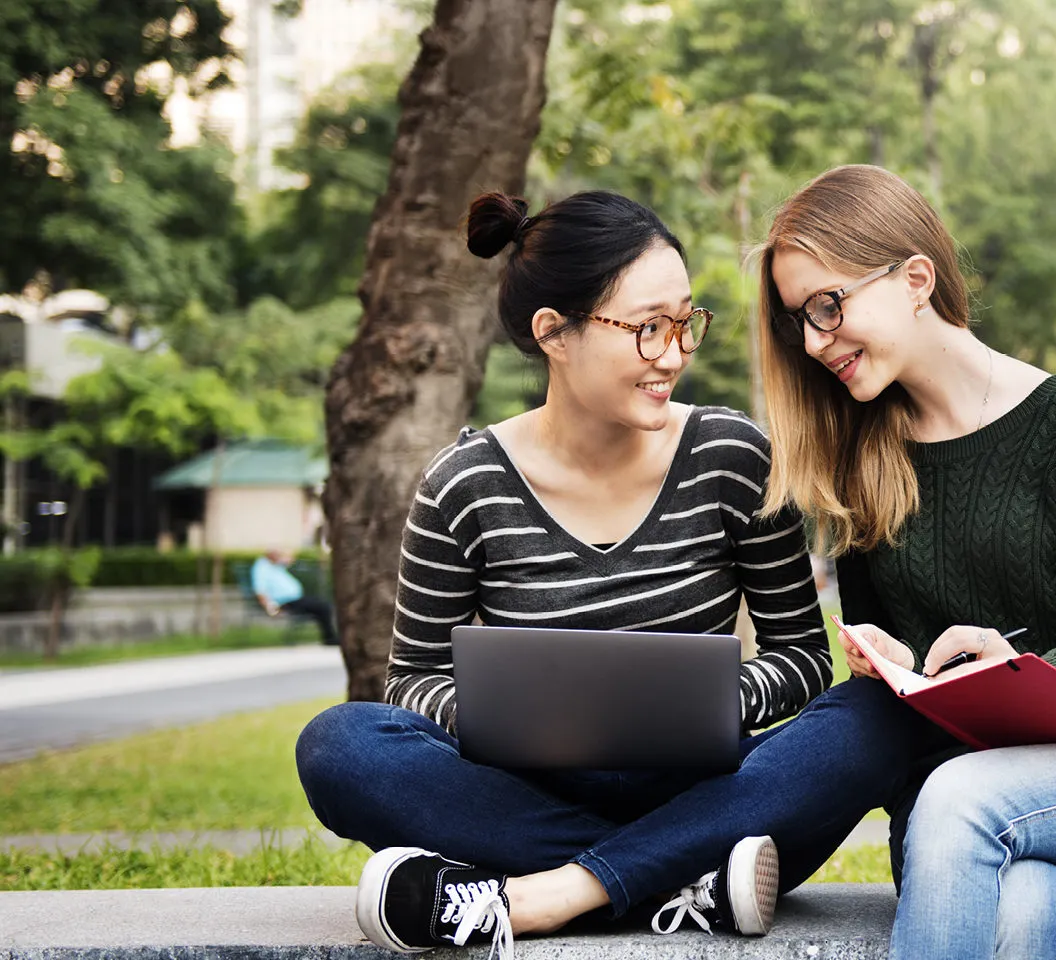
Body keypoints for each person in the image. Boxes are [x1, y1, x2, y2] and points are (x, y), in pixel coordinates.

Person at [294, 189, 940, 959]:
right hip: (543, 795)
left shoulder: (731, 457)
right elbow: (413, 681)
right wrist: (514, 716)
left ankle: (539, 895)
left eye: (684, 324)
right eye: (645, 330)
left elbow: (801, 657)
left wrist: (709, 702)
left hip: (710, 786)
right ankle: (679, 882)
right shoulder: (464, 484)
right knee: (339, 745)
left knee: (874, 718)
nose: (672, 354)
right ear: (553, 335)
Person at [754, 165, 1056, 960]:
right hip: (954, 812)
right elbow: (892, 695)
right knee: (1029, 907)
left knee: (962, 799)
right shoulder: (866, 462)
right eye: (800, 319)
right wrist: (887, 668)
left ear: (916, 279)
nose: (814, 340)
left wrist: (1022, 674)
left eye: (828, 305)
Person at [250, 549, 337, 645]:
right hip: (286, 602)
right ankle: (330, 638)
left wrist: (285, 555)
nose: (278, 555)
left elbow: (290, 559)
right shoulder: (262, 568)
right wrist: (270, 608)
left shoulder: (274, 565)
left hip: (295, 600)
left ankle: (329, 636)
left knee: (321, 605)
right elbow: (260, 590)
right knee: (323, 606)